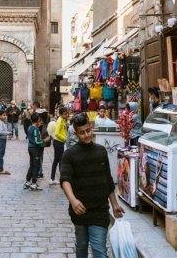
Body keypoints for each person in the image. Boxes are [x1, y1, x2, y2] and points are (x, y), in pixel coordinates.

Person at [60, 113, 124, 258]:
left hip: (100, 210)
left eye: (88, 130)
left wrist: (114, 205)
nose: (86, 135)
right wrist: (73, 200)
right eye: (82, 133)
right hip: (80, 211)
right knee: (81, 247)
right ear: (76, 133)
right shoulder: (69, 155)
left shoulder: (101, 151)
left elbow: (107, 180)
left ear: (91, 127)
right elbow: (65, 180)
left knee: (100, 251)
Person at [25, 113, 44, 191]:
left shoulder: (30, 127)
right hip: (35, 149)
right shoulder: (35, 129)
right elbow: (37, 141)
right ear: (37, 120)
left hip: (30, 148)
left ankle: (27, 181)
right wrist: (43, 141)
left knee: (32, 165)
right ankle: (34, 183)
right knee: (36, 165)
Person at [50, 106, 69, 185]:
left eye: (67, 114)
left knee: (56, 161)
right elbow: (57, 133)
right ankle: (62, 180)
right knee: (61, 161)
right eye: (65, 114)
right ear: (61, 114)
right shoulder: (60, 121)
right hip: (59, 143)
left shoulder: (63, 120)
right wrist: (64, 139)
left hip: (59, 142)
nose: (67, 115)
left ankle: (52, 179)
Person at [0, 110, 11, 175]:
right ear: (0, 116)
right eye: (3, 115)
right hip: (1, 139)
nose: (5, 116)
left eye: (5, 115)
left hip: (2, 139)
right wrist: (8, 133)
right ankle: (0, 169)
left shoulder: (2, 122)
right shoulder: (0, 122)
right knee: (0, 154)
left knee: (0, 154)